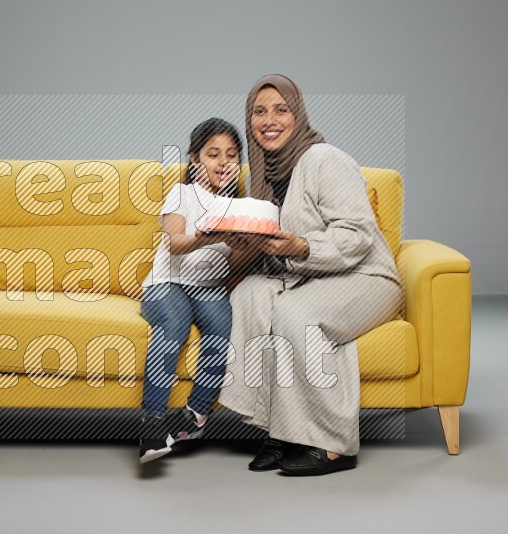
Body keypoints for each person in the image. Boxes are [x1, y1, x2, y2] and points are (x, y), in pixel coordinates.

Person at [217, 75, 403, 476]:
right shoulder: (263, 174)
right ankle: (280, 431)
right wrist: (243, 243)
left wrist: (301, 247)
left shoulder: (324, 159)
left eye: (281, 110)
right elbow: (275, 248)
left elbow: (357, 236)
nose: (269, 120)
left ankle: (333, 443)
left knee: (295, 313)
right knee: (249, 294)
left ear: (298, 114)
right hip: (315, 275)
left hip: (367, 276)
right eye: (259, 111)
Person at [138, 118, 244, 463]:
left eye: (231, 155)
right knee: (175, 320)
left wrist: (251, 242)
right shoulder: (182, 193)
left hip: (208, 288)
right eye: (213, 154)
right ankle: (151, 424)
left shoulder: (241, 207)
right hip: (167, 283)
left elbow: (238, 264)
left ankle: (194, 416)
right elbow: (175, 244)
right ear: (195, 160)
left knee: (222, 325)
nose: (224, 163)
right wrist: (211, 234)